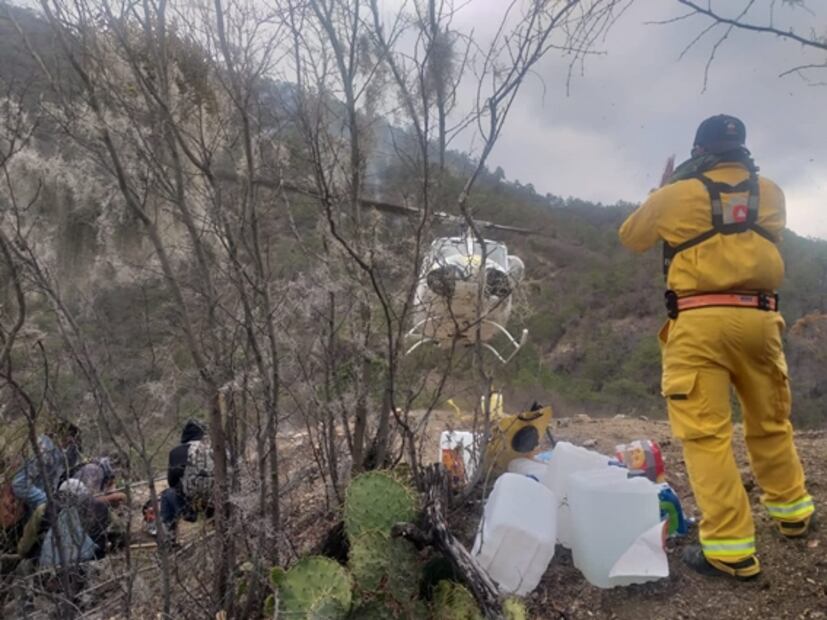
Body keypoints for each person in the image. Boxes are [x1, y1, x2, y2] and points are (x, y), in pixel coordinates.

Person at [619, 114, 815, 580]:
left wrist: (660, 192)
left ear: (699, 150)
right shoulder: (772, 192)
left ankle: (730, 549)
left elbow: (632, 237)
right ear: (742, 149)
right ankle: (794, 515)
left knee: (707, 436)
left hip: (699, 321)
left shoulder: (676, 196)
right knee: (770, 421)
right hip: (761, 317)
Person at [11, 421, 82, 559]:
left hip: (33, 515)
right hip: (23, 515)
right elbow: (19, 484)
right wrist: (46, 502)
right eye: (71, 439)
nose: (70, 443)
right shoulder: (44, 450)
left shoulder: (56, 452)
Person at [159, 419, 214, 545]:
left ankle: (168, 542)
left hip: (189, 507)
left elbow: (172, 482)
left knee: (167, 495)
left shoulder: (176, 452)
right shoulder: (219, 449)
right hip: (217, 504)